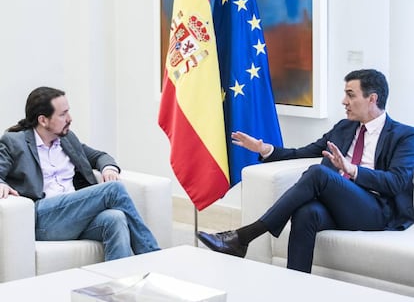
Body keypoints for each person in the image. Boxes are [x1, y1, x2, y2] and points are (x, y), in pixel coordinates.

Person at [198, 69, 414, 273]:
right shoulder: (344, 127)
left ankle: (244, 236)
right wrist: (264, 149)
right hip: (343, 205)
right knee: (306, 213)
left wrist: (352, 169)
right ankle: (295, 288)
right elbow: (303, 152)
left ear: (372, 99)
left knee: (319, 173)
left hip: (377, 211)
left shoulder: (404, 136)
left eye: (350, 95)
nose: (344, 102)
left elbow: (396, 182)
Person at [0, 86, 159, 261]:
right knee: (113, 189)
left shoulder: (67, 139)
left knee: (116, 218)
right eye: (62, 114)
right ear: (43, 120)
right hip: (43, 218)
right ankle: (153, 257)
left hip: (73, 214)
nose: (70, 119)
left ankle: (118, 283)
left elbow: (99, 156)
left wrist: (108, 168)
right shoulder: (15, 142)